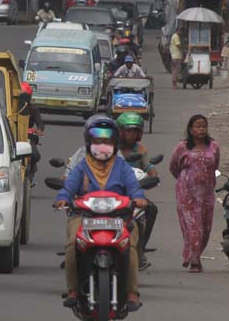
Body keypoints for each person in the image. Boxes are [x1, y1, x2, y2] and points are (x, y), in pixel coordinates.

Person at [54, 115, 147, 311]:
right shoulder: (81, 166)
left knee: (130, 245)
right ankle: (72, 290)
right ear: (89, 143)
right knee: (72, 244)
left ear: (115, 143)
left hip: (119, 217)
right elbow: (69, 187)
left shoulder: (123, 167)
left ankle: (131, 292)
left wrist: (139, 198)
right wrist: (62, 198)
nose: (102, 145)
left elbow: (134, 188)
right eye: (97, 141)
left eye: (107, 141)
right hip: (84, 216)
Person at [169, 114, 220, 273]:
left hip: (206, 193)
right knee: (193, 227)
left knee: (205, 228)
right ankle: (194, 260)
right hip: (187, 194)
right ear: (190, 130)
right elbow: (174, 166)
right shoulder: (182, 147)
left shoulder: (214, 147)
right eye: (198, 126)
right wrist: (186, 180)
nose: (201, 129)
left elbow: (215, 165)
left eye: (204, 126)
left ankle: (195, 254)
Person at [116, 113, 158, 271]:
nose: (131, 134)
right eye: (127, 131)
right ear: (119, 131)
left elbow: (148, 166)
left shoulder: (140, 149)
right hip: (111, 191)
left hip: (133, 193)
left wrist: (154, 176)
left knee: (151, 210)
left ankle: (140, 250)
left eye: (134, 131)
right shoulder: (112, 147)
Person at [20, 82, 44, 185]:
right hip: (14, 136)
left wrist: (39, 130)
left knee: (35, 155)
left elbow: (40, 122)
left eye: (26, 97)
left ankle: (31, 175)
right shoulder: (10, 107)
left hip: (28, 136)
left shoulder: (33, 109)